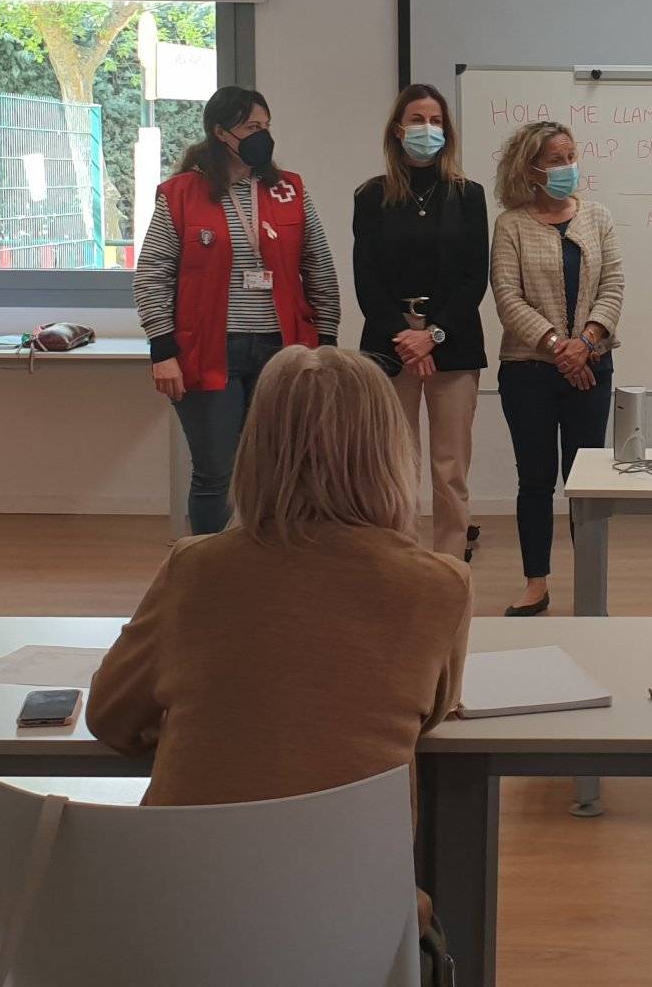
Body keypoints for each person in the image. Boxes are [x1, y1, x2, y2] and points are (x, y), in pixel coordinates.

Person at [90, 345, 472, 806]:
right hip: (354, 871)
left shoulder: (196, 568)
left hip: (191, 868)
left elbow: (112, 717)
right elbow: (427, 715)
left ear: (256, 444)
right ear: (391, 450)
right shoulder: (440, 584)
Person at [137, 86, 340, 537]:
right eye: (252, 127)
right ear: (221, 132)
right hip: (210, 352)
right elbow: (152, 274)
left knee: (282, 469)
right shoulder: (180, 195)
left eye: (266, 127)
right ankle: (209, 574)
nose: (262, 137)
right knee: (215, 472)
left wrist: (326, 343)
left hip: (283, 351)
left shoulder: (290, 190)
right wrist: (161, 349)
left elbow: (320, 268)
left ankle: (273, 570)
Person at [489, 121, 625, 616]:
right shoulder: (511, 225)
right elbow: (507, 297)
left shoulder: (599, 218)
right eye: (556, 159)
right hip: (528, 372)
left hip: (592, 365)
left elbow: (613, 286)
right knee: (536, 480)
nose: (568, 167)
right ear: (531, 168)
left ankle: (589, 583)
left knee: (585, 482)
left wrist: (585, 344)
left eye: (572, 155)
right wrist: (558, 348)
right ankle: (536, 583)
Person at [352, 85, 488, 561]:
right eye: (417, 119)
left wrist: (432, 335)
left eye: (435, 121)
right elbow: (366, 278)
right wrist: (406, 337)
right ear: (397, 129)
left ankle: (449, 565)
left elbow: (475, 277)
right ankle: (401, 562)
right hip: (391, 345)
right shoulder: (372, 196)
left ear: (446, 131)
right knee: (395, 464)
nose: (426, 129)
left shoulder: (468, 195)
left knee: (450, 468)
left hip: (452, 340)